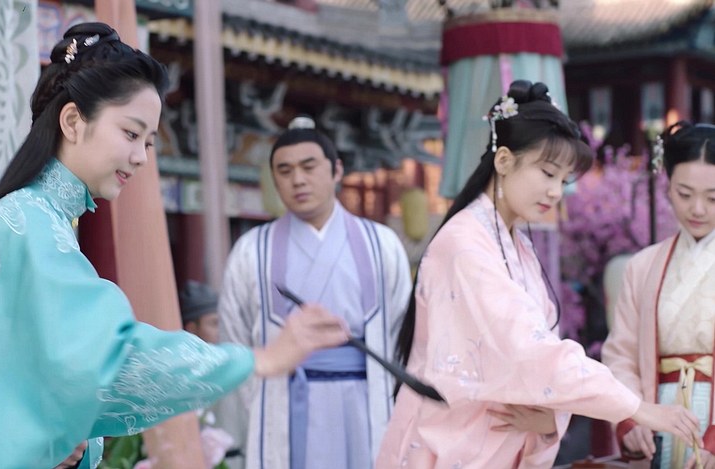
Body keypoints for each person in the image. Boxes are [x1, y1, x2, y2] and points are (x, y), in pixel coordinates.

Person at [0, 23, 348, 469]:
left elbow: (39, 375)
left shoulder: (36, 218)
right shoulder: (26, 221)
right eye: (130, 133)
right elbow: (109, 356)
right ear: (72, 121)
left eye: (149, 142)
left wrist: (60, 438)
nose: (141, 157)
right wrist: (259, 359)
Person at [375, 80, 702, 469]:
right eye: (547, 173)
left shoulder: (517, 245)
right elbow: (529, 348)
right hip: (455, 441)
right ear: (503, 161)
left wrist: (551, 419)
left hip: (497, 442)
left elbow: (541, 350)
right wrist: (636, 409)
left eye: (562, 180)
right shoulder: (464, 245)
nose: (555, 192)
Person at [218, 116, 412, 469]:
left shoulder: (382, 245)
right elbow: (236, 340)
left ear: (336, 170)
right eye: (285, 171)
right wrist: (255, 414)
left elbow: (404, 337)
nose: (298, 180)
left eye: (309, 167)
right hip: (284, 404)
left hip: (365, 404)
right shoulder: (251, 251)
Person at [603, 121, 715, 468]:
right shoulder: (643, 266)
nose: (698, 209)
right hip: (658, 416)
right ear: (667, 187)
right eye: (685, 194)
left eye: (713, 197)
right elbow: (621, 354)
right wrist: (633, 416)